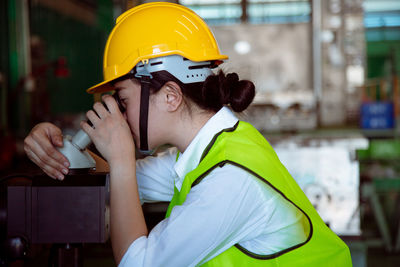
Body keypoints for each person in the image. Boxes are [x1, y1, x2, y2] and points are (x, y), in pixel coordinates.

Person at [24, 2, 352, 266]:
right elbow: (113, 183)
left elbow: (139, 263)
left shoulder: (229, 178)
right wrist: (56, 148)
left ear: (170, 96)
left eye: (124, 101)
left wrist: (122, 157)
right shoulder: (206, 152)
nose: (121, 114)